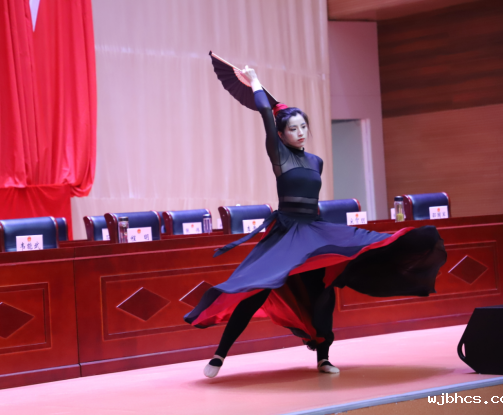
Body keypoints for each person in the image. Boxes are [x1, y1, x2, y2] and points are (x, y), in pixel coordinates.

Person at [184, 66, 447, 378]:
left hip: (313, 231)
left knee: (323, 292)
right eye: (293, 128)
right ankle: (219, 355)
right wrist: (255, 84)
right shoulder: (279, 156)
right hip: (285, 234)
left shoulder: (316, 162)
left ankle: (323, 358)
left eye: (303, 127)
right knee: (255, 291)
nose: (300, 132)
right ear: (281, 135)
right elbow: (266, 115)